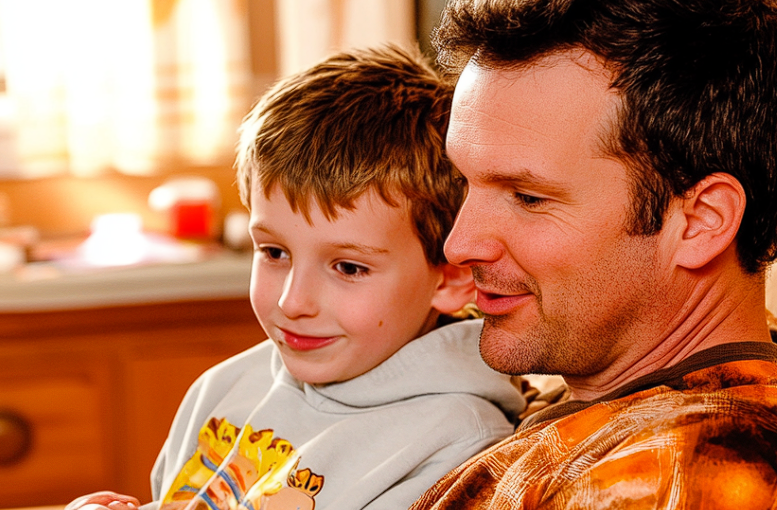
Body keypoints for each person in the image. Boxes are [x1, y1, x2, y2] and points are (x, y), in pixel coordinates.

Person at [411, 0, 777, 510]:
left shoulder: (698, 475)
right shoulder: (613, 353)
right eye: (466, 181)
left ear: (701, 221)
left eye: (529, 198)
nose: (459, 244)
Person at [67, 44, 525, 510]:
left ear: (449, 280)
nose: (292, 301)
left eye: (348, 267)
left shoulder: (456, 442)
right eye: (273, 252)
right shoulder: (224, 386)